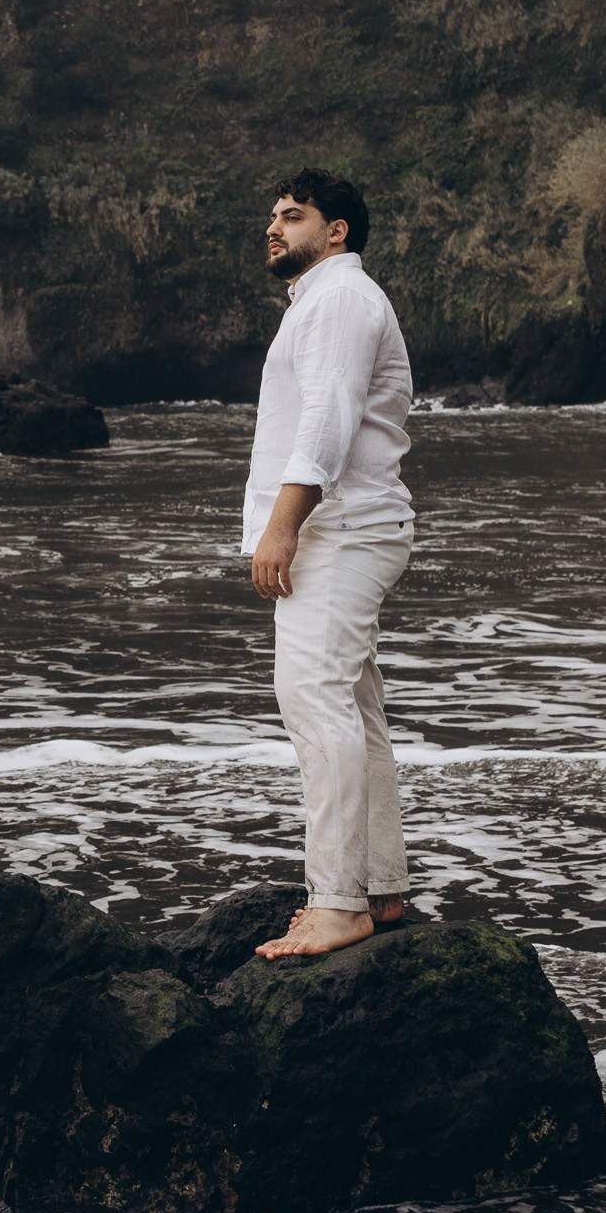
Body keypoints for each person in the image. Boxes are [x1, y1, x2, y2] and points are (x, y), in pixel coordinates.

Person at [242, 169, 415, 959]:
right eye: (273, 216)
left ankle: (338, 901)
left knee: (313, 698)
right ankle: (379, 888)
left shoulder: (342, 299)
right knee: (355, 707)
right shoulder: (322, 302)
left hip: (337, 528)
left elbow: (329, 418)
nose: (274, 228)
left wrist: (282, 529)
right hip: (347, 525)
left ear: (336, 230)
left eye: (293, 215)